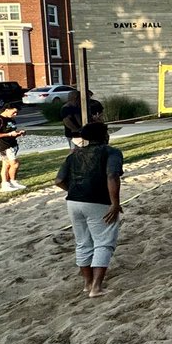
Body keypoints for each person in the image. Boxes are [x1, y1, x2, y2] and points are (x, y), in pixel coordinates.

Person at [54, 122, 123, 298]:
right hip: (98, 201)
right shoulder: (111, 152)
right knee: (104, 242)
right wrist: (115, 203)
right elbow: (112, 175)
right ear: (104, 136)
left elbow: (59, 180)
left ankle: (87, 284)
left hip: (74, 202)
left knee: (83, 242)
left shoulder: (74, 155)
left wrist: (76, 190)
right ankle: (97, 288)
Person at [0, 104, 27, 192]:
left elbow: (10, 131)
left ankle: (11, 182)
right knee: (14, 163)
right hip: (1, 146)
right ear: (6, 110)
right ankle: (6, 184)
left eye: (17, 113)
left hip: (10, 145)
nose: (15, 114)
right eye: (14, 112)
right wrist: (9, 134)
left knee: (7, 165)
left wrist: (18, 133)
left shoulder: (11, 120)